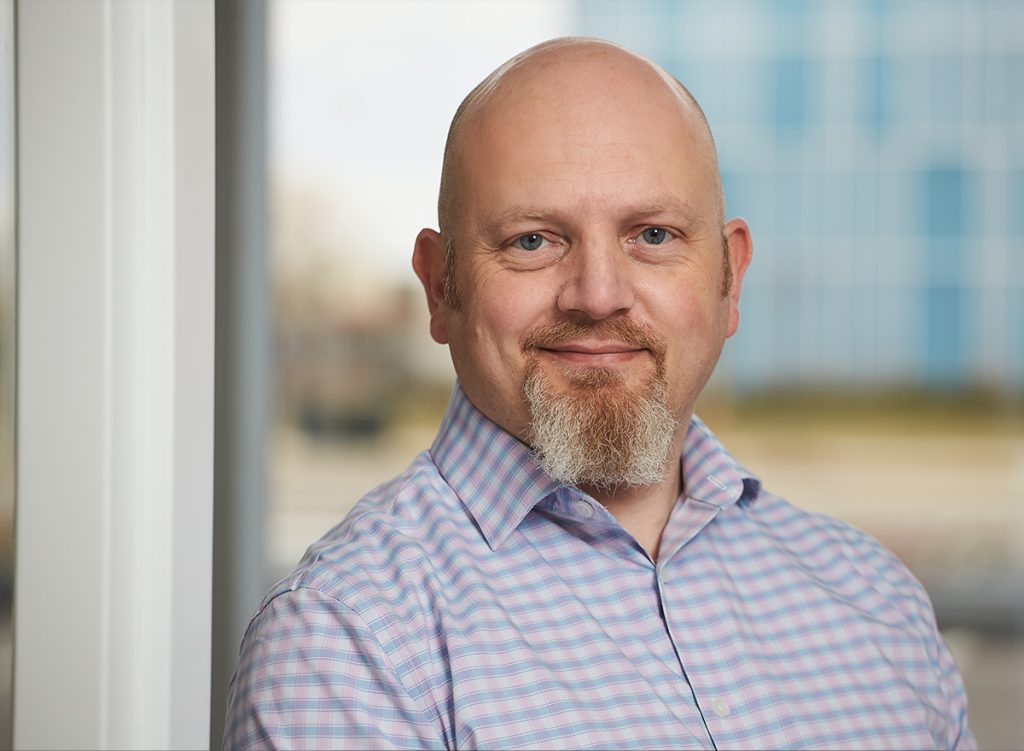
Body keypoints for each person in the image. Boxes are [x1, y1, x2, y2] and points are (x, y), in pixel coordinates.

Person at [224, 38, 975, 750]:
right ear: (440, 286)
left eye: (652, 235)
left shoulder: (877, 602)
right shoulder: (348, 642)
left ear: (729, 278)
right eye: (532, 240)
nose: (598, 295)